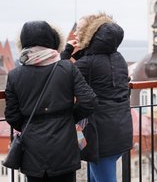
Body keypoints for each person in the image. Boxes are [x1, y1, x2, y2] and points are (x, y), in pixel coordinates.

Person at [5, 21, 97, 182]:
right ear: (52, 40)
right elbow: (89, 101)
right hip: (64, 145)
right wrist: (68, 119)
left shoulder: (14, 75)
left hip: (33, 149)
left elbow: (12, 116)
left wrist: (30, 124)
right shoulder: (67, 68)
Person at [61, 12, 133, 182]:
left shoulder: (87, 63)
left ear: (89, 32)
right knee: (97, 175)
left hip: (97, 133)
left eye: (79, 29)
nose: (76, 33)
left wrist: (68, 51)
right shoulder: (119, 58)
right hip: (120, 128)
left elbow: (59, 75)